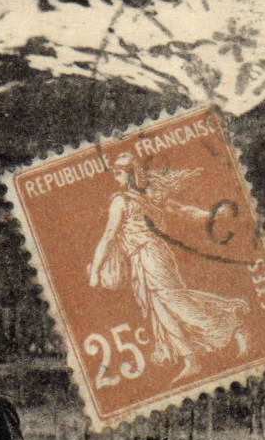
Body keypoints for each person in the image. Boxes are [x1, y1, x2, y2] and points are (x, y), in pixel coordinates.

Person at [86, 152, 248, 382]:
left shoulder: (125, 201)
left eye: (120, 171)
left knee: (174, 301)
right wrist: (211, 216)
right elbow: (181, 211)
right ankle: (191, 359)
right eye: (115, 171)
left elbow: (109, 236)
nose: (116, 176)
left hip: (151, 255)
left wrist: (94, 272)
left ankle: (231, 323)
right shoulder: (144, 197)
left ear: (132, 173)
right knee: (160, 310)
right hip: (141, 260)